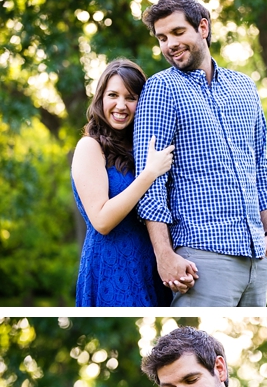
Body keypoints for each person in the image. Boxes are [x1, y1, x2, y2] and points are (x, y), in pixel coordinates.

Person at [134, 0, 267, 307]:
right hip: (202, 260)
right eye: (162, 38)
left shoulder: (244, 87)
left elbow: (260, 164)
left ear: (202, 27)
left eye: (177, 32)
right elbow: (150, 183)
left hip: (257, 258)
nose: (169, 44)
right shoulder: (161, 90)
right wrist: (165, 256)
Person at [71, 59, 194, 306]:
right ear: (100, 99)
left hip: (152, 266)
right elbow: (102, 221)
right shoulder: (90, 147)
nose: (120, 105)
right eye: (113, 95)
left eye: (130, 97)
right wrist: (148, 174)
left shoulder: (145, 147)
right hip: (111, 267)